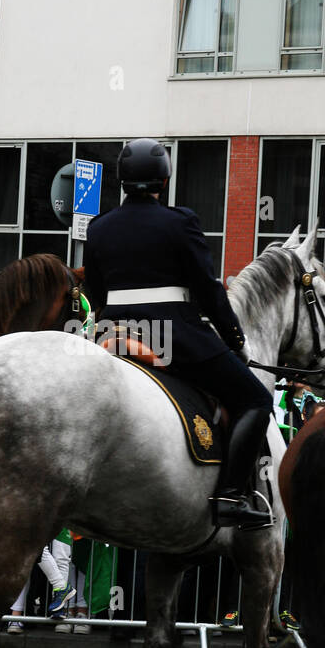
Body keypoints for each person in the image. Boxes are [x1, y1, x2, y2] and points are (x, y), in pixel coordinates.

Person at [83, 137, 274, 530]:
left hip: (113, 333)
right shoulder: (179, 221)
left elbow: (96, 293)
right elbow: (208, 291)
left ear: (121, 180)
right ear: (163, 180)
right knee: (255, 397)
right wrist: (235, 341)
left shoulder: (100, 227)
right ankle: (230, 497)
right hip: (173, 337)